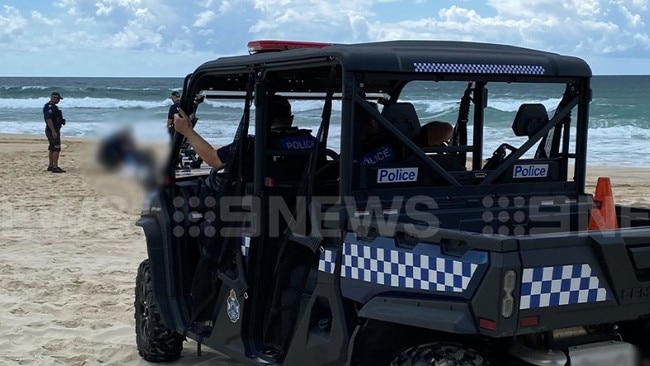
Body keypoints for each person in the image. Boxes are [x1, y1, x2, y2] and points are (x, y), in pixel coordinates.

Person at [172, 94, 316, 172]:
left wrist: (187, 131)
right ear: (291, 118)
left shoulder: (254, 145)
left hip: (259, 206)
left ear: (263, 119)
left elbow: (214, 159)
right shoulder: (312, 142)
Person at [44, 91, 66, 173]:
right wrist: (53, 131)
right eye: (58, 99)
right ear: (53, 98)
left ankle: (51, 165)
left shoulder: (53, 107)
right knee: (56, 148)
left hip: (53, 129)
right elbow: (49, 119)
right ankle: (55, 166)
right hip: (52, 130)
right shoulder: (50, 107)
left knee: (52, 148)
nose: (59, 100)